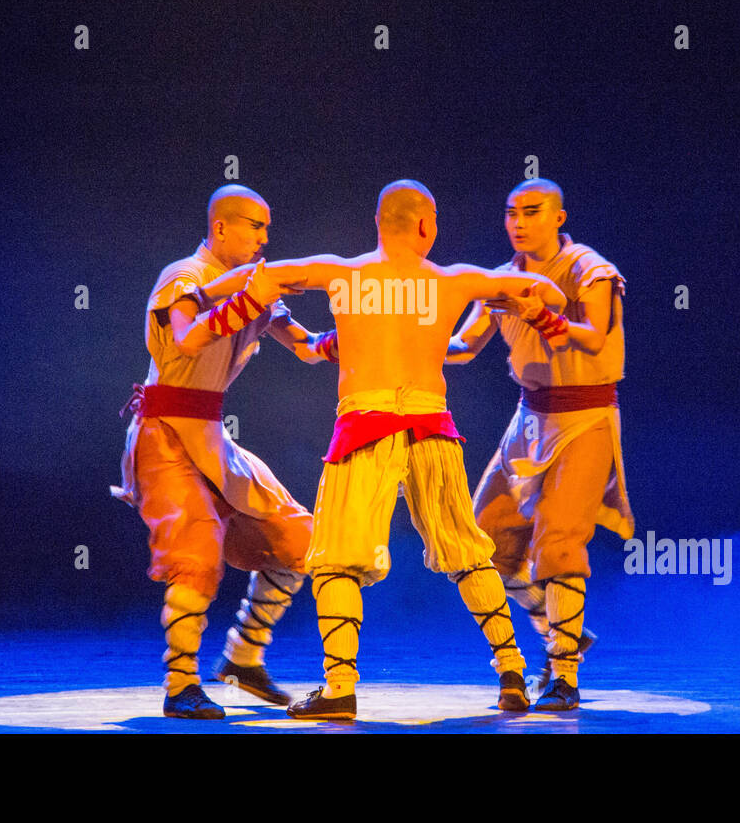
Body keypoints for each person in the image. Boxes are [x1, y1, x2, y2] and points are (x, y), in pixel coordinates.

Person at [211, 180, 568, 720]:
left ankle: (340, 690)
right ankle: (513, 673)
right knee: (467, 552)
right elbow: (548, 292)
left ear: (379, 224)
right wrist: (521, 300)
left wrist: (206, 295)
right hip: (432, 426)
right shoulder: (453, 280)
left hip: (365, 425)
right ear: (426, 226)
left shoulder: (342, 273)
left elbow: (255, 278)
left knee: (335, 563)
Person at [110, 185, 336, 719]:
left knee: (302, 540)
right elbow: (187, 339)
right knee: (197, 554)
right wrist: (248, 296)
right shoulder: (182, 276)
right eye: (255, 227)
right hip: (163, 433)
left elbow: (305, 346)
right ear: (220, 229)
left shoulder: (256, 287)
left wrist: (360, 336)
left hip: (212, 437)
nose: (264, 237)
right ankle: (180, 683)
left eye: (266, 228)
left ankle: (243, 657)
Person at [447, 178, 633, 711]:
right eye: (510, 213)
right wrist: (409, 343)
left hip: (585, 417)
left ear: (558, 217)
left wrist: (544, 315)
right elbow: (464, 345)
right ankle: (562, 627)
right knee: (483, 537)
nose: (518, 222)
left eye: (531, 212)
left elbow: (595, 334)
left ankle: (563, 674)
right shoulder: (501, 279)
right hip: (528, 418)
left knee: (559, 541)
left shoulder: (588, 268)